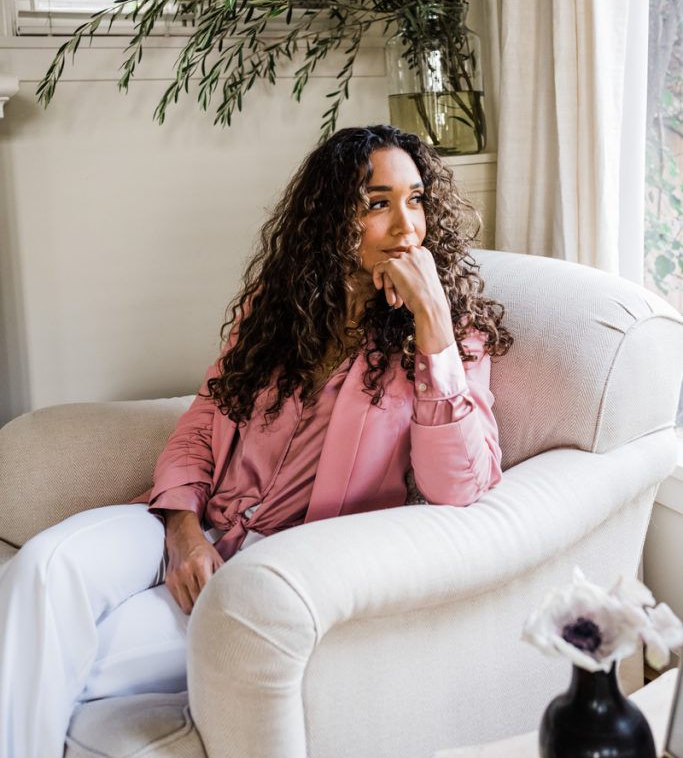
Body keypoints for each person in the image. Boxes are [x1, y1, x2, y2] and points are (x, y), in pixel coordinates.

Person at [0, 124, 512, 758]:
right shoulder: (276, 310)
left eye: (416, 200)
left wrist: (432, 322)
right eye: (378, 203)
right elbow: (202, 420)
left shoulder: (450, 341)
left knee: (59, 652)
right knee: (41, 570)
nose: (407, 227)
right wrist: (183, 529)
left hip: (273, 574)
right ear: (331, 219)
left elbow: (460, 486)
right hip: (193, 524)